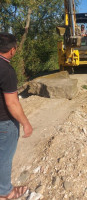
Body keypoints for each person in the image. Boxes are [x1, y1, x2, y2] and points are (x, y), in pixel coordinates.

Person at [0, 33, 33, 200]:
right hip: (4, 123)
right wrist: (25, 123)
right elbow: (12, 103)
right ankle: (5, 192)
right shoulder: (6, 70)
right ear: (12, 50)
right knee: (4, 157)